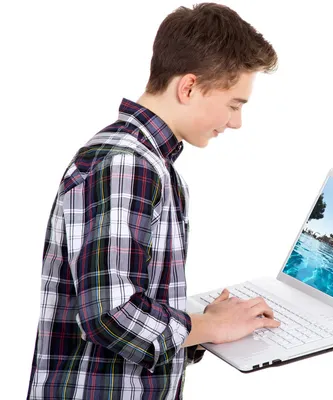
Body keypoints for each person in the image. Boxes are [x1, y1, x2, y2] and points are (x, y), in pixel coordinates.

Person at [27, 3, 281, 399]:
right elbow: (112, 316)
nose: (236, 122)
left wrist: (199, 325)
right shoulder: (129, 165)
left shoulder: (143, 161)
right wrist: (210, 327)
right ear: (189, 87)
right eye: (234, 104)